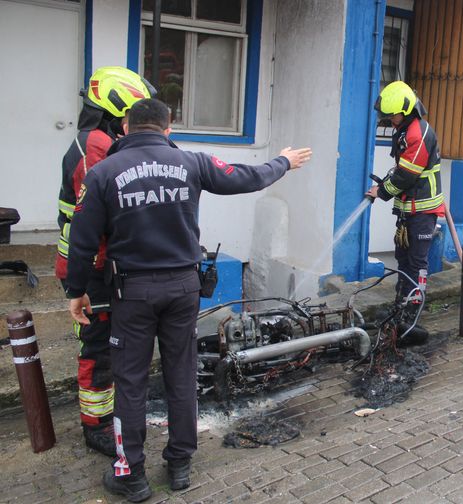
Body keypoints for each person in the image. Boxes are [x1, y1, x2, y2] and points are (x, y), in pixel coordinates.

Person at [65, 98, 312, 501]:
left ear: (125, 127)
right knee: (181, 375)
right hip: (183, 288)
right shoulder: (191, 162)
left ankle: (131, 475)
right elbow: (247, 177)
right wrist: (283, 161)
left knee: (131, 382)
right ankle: (180, 464)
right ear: (168, 129)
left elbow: (82, 240)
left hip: (133, 292)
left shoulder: (104, 172)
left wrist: (76, 291)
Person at [55, 66, 155, 456]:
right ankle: (95, 426)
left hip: (103, 266)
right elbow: (103, 214)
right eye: (130, 118)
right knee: (97, 350)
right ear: (114, 113)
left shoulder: (103, 140)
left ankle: (111, 414)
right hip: (89, 270)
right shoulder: (94, 146)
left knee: (113, 346)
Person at [365, 81, 444, 343]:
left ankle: (412, 315)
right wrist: (384, 187)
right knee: (403, 258)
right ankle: (400, 307)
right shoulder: (404, 130)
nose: (390, 120)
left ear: (407, 110)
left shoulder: (418, 133)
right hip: (408, 209)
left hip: (422, 210)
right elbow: (401, 170)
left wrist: (382, 191)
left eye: (393, 115)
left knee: (417, 263)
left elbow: (407, 175)